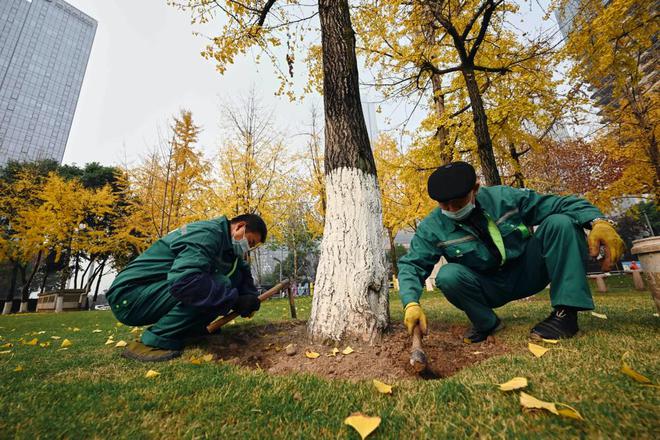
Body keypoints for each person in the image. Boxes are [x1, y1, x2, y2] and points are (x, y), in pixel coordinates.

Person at [398, 162, 625, 343]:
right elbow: (412, 265)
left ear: (475, 189)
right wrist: (411, 303)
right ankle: (487, 324)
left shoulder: (505, 198)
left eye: (457, 203)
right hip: (488, 286)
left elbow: (561, 204)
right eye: (443, 205)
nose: (450, 210)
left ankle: (566, 315)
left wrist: (598, 221)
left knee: (561, 222)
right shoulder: (432, 226)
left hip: (529, 271)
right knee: (448, 275)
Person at [106, 214, 267, 361]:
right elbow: (185, 281)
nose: (247, 247)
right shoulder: (208, 234)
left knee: (225, 282)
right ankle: (156, 340)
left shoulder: (227, 246)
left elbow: (240, 270)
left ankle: (190, 330)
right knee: (216, 284)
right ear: (239, 226)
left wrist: (250, 297)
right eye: (249, 242)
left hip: (153, 290)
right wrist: (234, 301)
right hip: (129, 294)